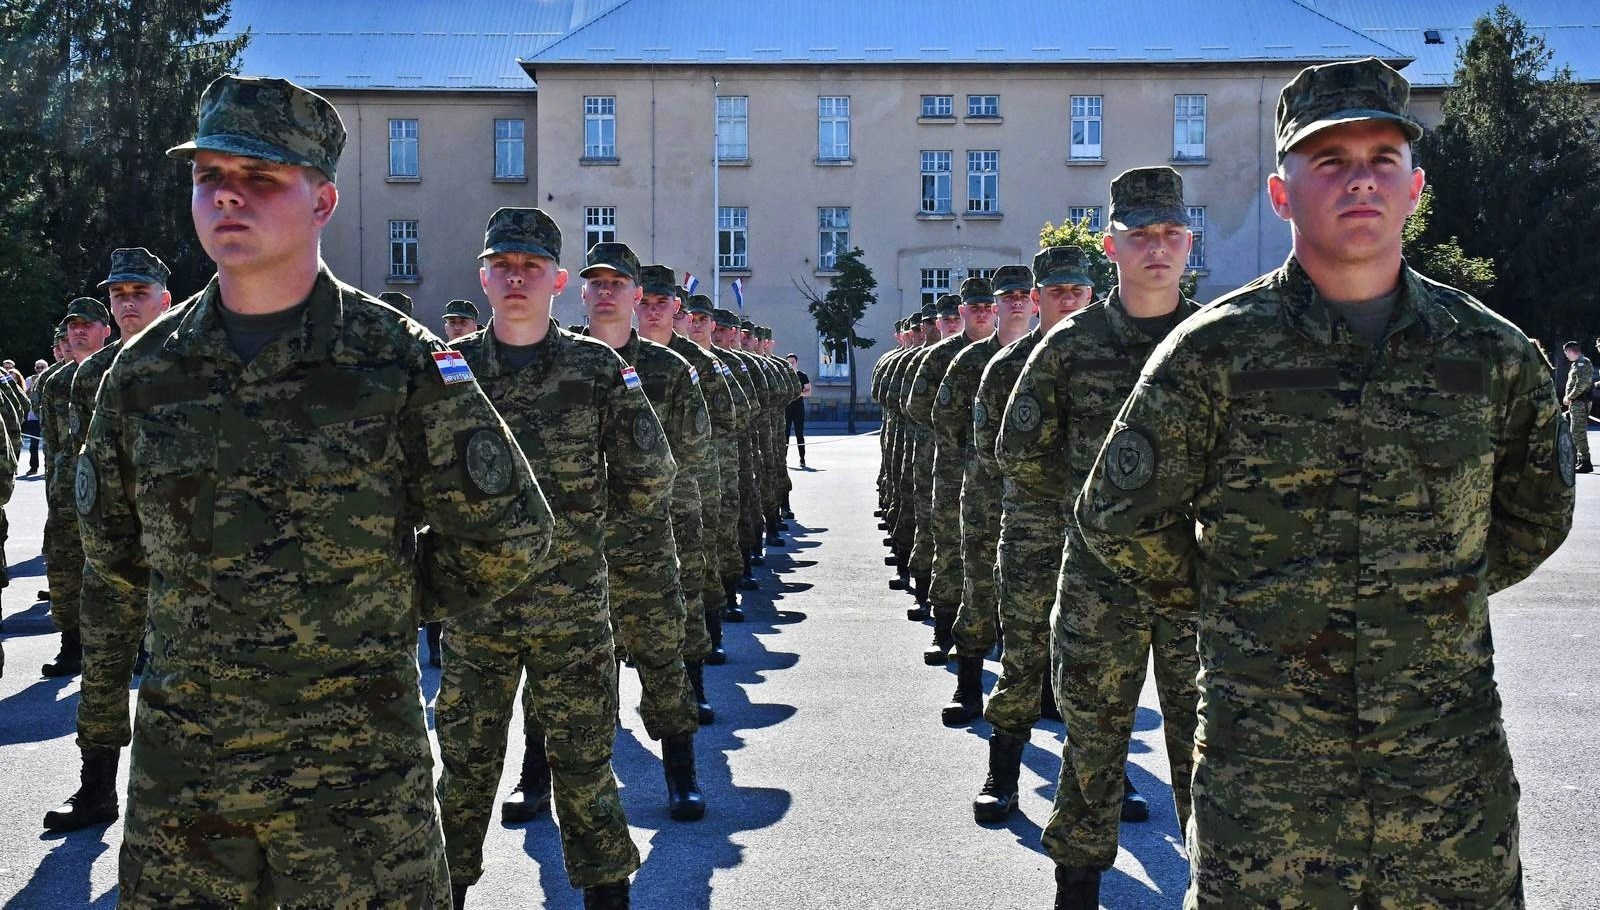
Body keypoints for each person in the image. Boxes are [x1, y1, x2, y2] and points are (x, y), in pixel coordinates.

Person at [1075, 58, 1574, 909]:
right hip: (1269, 787)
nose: (1361, 182)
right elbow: (1119, 517)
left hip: (1445, 783)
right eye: (1331, 162)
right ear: (1282, 193)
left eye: (1383, 158)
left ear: (1416, 187)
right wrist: (1236, 604)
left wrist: (1434, 594)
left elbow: (1537, 513)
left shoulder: (1491, 354)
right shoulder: (1215, 353)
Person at [77, 74, 552, 907]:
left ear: (323, 199)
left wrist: (382, 600)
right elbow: (113, 553)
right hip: (189, 788)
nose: (227, 193)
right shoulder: (145, 372)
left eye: (260, 176)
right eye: (208, 174)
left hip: (357, 781)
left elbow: (509, 528)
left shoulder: (396, 358)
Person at [436, 208, 673, 910]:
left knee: (583, 767)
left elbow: (650, 473)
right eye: (503, 265)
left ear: (557, 280)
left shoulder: (595, 367)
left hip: (569, 612)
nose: (516, 278)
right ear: (482, 276)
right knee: (465, 769)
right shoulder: (448, 371)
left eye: (531, 267)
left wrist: (590, 544)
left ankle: (605, 896)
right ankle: (445, 891)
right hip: (475, 613)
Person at [1002, 167, 1204, 906]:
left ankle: (1208, 882)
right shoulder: (1068, 345)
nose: (1158, 248)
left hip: (1197, 584)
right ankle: (1078, 886)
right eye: (1140, 235)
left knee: (1209, 748)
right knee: (1092, 744)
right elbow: (1018, 451)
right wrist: (1097, 505)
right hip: (1100, 580)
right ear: (1109, 245)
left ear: (1188, 244)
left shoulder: (1216, 341)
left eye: (1172, 234)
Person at [575, 242, 709, 819]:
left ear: (636, 295)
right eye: (595, 283)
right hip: (569, 547)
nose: (606, 293)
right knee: (566, 665)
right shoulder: (559, 359)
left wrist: (643, 497)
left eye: (617, 283)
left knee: (661, 656)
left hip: (644, 538)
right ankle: (536, 775)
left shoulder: (668, 369)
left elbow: (695, 448)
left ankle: (681, 773)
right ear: (580, 293)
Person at [44, 247, 173, 833]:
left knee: (181, 684)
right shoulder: (90, 374)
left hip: (179, 555)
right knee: (102, 672)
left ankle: (178, 802)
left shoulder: (187, 360)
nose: (126, 303)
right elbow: (82, 464)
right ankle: (96, 787)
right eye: (118, 294)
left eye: (138, 293)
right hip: (112, 555)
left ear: (163, 299)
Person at [973, 247, 1096, 822]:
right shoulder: (1009, 366)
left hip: (1103, 534)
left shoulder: (1117, 355)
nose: (1068, 300)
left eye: (1077, 291)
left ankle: (1100, 777)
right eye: (1056, 292)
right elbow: (990, 447)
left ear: (1090, 294)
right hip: (1033, 528)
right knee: (1024, 654)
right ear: (1036, 299)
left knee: (1096, 668)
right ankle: (1003, 774)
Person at [939, 264, 1036, 725]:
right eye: (1006, 296)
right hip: (984, 490)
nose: (1015, 302)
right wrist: (977, 456)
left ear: (1034, 300)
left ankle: (1049, 692)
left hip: (1044, 497)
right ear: (994, 304)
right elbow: (940, 414)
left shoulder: (1055, 352)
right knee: (978, 584)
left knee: (1044, 596)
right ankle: (969, 684)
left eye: (1023, 294)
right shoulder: (974, 361)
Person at [906, 285, 986, 664]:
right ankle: (944, 631)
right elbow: (919, 407)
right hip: (953, 465)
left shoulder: (1017, 351)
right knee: (951, 547)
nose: (982, 314)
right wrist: (958, 438)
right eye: (973, 308)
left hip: (1006, 473)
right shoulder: (942, 357)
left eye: (989, 306)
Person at [38, 297, 112, 678]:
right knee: (65, 571)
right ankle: (72, 646)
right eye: (72, 325)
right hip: (68, 495)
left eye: (87, 323)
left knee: (119, 575)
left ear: (106, 330)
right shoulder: (56, 383)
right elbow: (52, 445)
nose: (78, 331)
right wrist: (54, 491)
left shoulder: (120, 371)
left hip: (114, 496)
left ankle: (136, 649)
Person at [1562, 341, 1592, 473]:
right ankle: (1581, 459)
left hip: (1580, 401)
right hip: (1576, 402)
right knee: (1576, 432)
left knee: (1578, 432)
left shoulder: (1583, 362)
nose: (1566, 355)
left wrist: (1570, 396)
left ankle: (1586, 462)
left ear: (1571, 351)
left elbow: (1582, 383)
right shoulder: (1576, 364)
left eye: (1566, 353)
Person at [785, 353, 811, 470]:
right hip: (786, 408)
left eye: (792, 362)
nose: (791, 364)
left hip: (798, 408)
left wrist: (799, 393)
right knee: (785, 435)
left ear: (797, 362)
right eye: (788, 362)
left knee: (799, 434)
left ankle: (802, 459)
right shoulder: (784, 375)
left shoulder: (802, 375)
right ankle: (783, 459)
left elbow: (809, 392)